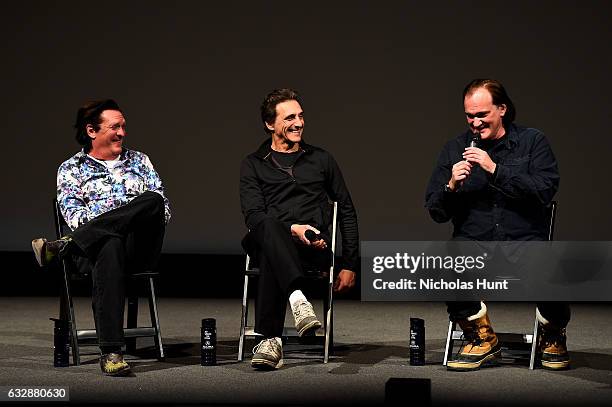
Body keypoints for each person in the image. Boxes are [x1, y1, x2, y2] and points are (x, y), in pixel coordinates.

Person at [425, 79, 570, 371]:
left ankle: (552, 333)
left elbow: (544, 190)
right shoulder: (454, 148)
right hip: (474, 243)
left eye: (482, 115)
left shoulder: (532, 141)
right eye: (470, 116)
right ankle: (481, 336)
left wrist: (495, 169)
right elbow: (437, 212)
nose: (475, 123)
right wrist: (451, 185)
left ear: (502, 108)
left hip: (524, 240)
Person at [31, 99, 170, 376]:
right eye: (115, 127)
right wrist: (114, 227)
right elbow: (74, 217)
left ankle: (64, 245)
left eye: (123, 127)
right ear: (92, 130)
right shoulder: (71, 169)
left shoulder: (140, 161)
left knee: (152, 199)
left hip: (139, 248)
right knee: (109, 242)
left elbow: (162, 211)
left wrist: (115, 222)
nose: (122, 133)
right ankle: (112, 352)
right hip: (94, 254)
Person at [240, 88, 359, 370]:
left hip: (312, 249)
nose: (298, 123)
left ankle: (270, 341)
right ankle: (297, 298)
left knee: (272, 254)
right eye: (289, 117)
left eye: (301, 116)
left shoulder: (321, 159)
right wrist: (292, 228)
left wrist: (351, 262)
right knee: (268, 227)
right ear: (270, 124)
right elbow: (253, 215)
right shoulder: (253, 164)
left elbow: (346, 209)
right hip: (268, 241)